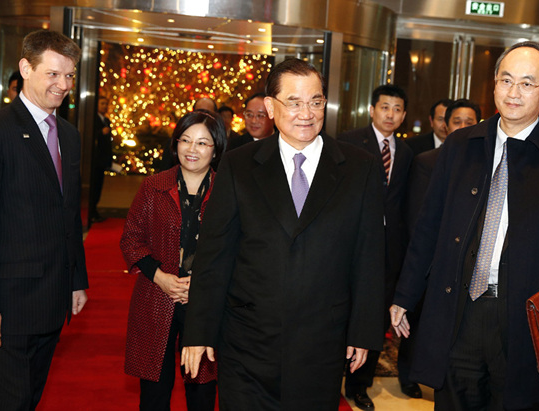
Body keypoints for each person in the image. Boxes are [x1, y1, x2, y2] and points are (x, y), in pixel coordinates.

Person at [391, 41, 539, 410]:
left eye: (527, 83)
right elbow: (428, 227)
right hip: (459, 310)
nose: (514, 93)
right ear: (494, 83)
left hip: (527, 322)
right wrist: (404, 295)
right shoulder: (460, 146)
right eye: (506, 80)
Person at [181, 58, 385, 410]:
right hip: (246, 340)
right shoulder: (239, 164)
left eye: (316, 101)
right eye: (294, 102)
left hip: (322, 341)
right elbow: (215, 254)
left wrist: (363, 330)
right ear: (271, 107)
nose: (307, 113)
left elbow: (369, 255)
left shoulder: (359, 167)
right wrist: (199, 331)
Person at [0, 30, 89, 409]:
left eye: (69, 75)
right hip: (9, 303)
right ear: (25, 68)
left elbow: (68, 215)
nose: (63, 85)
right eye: (53, 74)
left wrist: (76, 280)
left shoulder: (69, 135)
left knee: (30, 399)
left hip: (52, 299)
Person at [120, 109, 226, 410]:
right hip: (156, 297)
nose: (192, 149)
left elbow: (238, 249)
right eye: (185, 140)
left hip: (204, 305)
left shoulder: (227, 191)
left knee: (202, 393)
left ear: (215, 148)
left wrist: (201, 284)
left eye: (202, 143)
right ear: (175, 143)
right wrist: (161, 277)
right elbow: (131, 239)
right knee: (154, 394)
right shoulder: (153, 186)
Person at [337, 84, 414, 408]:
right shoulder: (348, 142)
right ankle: (331, 378)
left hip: (388, 252)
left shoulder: (407, 153)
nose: (390, 114)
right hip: (350, 244)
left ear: (404, 115)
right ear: (372, 110)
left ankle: (360, 385)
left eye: (397, 109)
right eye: (385, 107)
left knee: (374, 319)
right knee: (340, 314)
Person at [406, 98, 482, 232]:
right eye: (457, 122)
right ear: (446, 126)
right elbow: (418, 216)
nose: (463, 127)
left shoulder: (484, 161)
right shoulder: (427, 162)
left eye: (469, 123)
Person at [89, 96, 113, 224]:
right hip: (94, 160)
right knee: (93, 187)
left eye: (106, 104)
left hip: (102, 159)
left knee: (98, 187)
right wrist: (100, 133)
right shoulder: (93, 119)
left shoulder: (106, 120)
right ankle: (91, 212)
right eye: (102, 103)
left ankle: (94, 210)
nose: (105, 106)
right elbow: (88, 135)